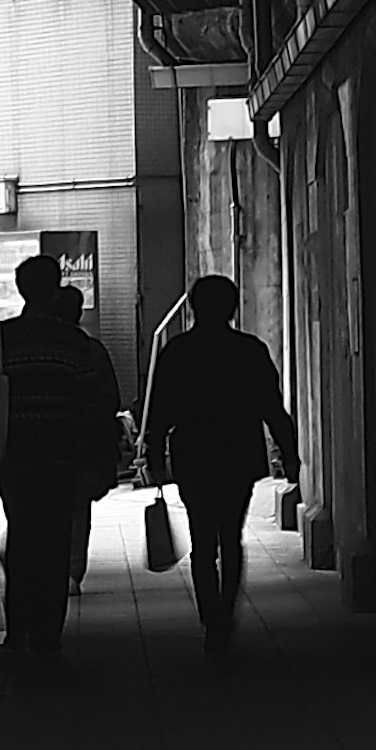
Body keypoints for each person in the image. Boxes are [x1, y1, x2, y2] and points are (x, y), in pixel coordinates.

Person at [0, 249, 127, 669]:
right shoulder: (75, 343)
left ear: (20, 290)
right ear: (54, 290)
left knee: (21, 537)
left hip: (15, 459)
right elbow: (93, 405)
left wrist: (4, 425)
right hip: (60, 458)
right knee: (54, 542)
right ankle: (47, 633)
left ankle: (16, 627)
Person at [140, 269, 300, 656]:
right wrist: (290, 455)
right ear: (231, 307)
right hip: (238, 451)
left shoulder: (177, 352)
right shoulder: (249, 350)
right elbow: (272, 408)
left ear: (193, 308)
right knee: (231, 535)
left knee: (202, 539)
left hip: (193, 452)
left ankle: (210, 617)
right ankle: (225, 613)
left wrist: (156, 456)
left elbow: (159, 410)